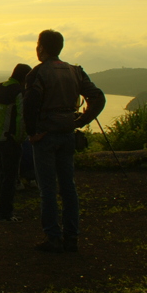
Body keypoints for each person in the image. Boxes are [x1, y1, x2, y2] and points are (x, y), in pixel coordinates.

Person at [23, 30, 105, 253]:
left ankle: (53, 237)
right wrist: (81, 120)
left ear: (41, 47)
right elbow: (97, 97)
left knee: (47, 188)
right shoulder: (76, 71)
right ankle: (72, 236)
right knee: (68, 187)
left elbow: (29, 104)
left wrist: (32, 132)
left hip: (45, 135)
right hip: (67, 134)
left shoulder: (38, 74)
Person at [0, 63, 33, 221]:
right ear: (25, 78)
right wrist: (19, 138)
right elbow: (22, 117)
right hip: (9, 139)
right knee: (10, 177)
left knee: (4, 174)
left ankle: (2, 210)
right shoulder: (19, 92)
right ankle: (5, 213)